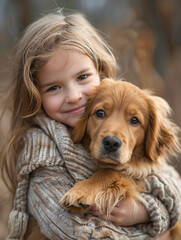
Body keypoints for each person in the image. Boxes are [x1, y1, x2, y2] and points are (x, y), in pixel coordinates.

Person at [1, 9, 180, 240]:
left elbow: (171, 183)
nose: (74, 96)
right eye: (54, 87)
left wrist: (144, 211)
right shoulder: (41, 155)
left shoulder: (141, 150)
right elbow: (71, 230)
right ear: (34, 95)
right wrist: (156, 230)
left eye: (82, 77)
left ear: (100, 72)